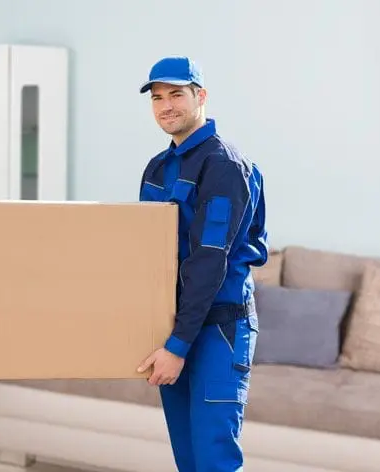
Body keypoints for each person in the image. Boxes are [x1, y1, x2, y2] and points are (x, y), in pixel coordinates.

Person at [136, 56, 268, 471]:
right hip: (174, 329)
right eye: (157, 98)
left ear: (201, 97)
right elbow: (146, 255)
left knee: (213, 461)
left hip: (217, 332)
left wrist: (177, 345)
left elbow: (209, 264)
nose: (166, 106)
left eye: (176, 94)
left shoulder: (223, 165)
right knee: (189, 460)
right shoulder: (157, 168)